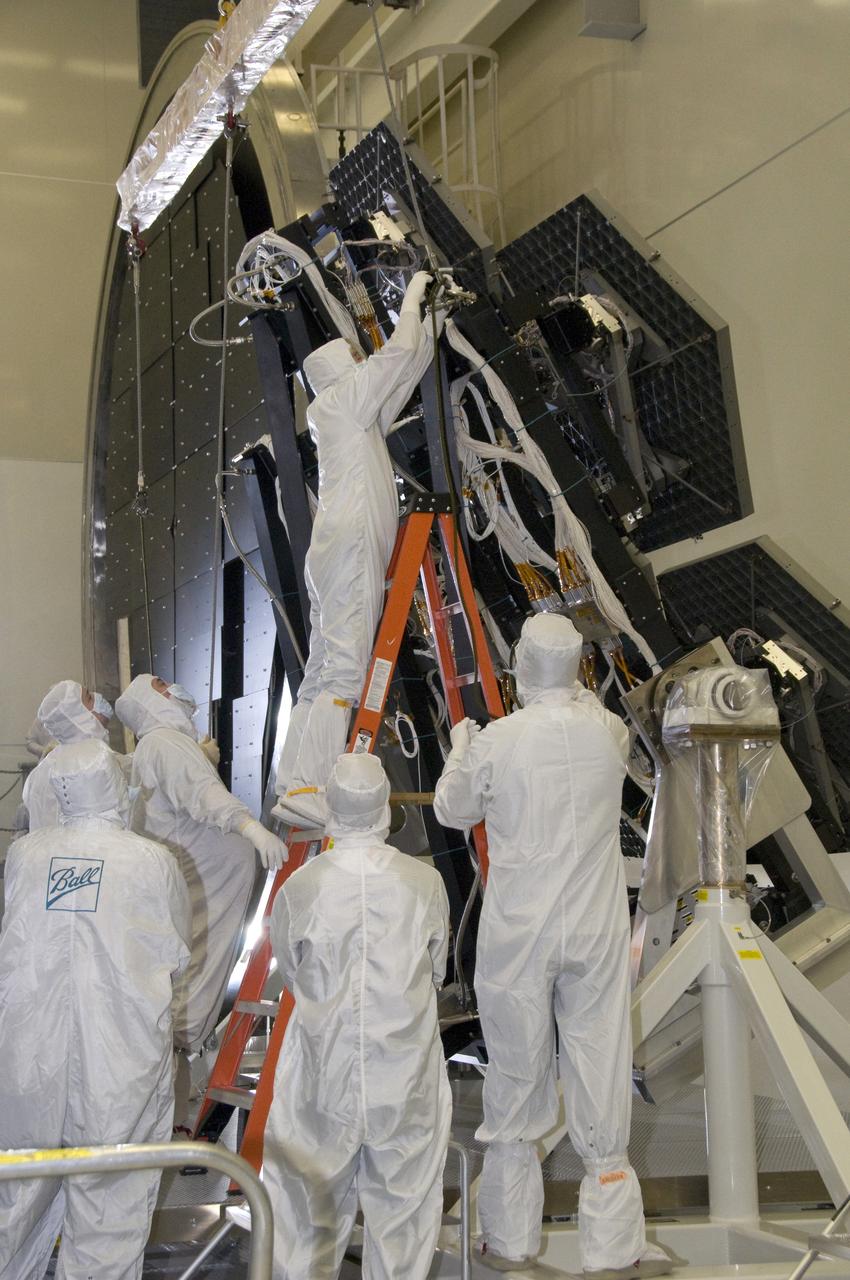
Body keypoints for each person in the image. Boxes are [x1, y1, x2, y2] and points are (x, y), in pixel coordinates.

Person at [433, 614, 673, 1279]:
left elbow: (454, 810)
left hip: (520, 935)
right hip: (594, 928)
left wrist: (460, 745)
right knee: (600, 1061)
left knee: (516, 1071)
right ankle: (616, 1244)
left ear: (519, 667)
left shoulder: (499, 742)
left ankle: (509, 1240)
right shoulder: (607, 731)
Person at [0, 740, 191, 1280]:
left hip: (27, 1058)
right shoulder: (152, 860)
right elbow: (176, 949)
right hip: (119, 1055)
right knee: (111, 1198)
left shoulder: (26, 854)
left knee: (14, 1196)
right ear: (114, 784)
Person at [264, 752, 451, 1280]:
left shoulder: (303, 886)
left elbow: (292, 970)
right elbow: (436, 969)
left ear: (331, 807)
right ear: (383, 807)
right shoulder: (423, 883)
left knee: (306, 1215)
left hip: (324, 1072)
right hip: (405, 1074)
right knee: (404, 1215)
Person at [274, 269, 446, 830]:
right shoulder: (342, 403)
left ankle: (291, 778)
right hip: (348, 545)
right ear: (336, 366)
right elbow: (394, 358)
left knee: (323, 671)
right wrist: (417, 290)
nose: (360, 355)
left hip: (334, 546)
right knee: (344, 674)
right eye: (352, 352)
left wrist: (432, 321)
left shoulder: (346, 416)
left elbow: (404, 370)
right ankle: (305, 785)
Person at [115, 674, 288, 1053]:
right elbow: (203, 795)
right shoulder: (165, 743)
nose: (174, 687)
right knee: (198, 965)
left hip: (200, 882)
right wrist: (251, 829)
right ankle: (181, 1043)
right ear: (151, 699)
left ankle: (180, 1043)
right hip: (206, 884)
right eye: (161, 684)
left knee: (189, 965)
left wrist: (197, 754)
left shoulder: (157, 745)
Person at [20, 680, 115, 831]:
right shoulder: (93, 760)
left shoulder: (42, 770)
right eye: (89, 698)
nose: (98, 699)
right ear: (76, 714)